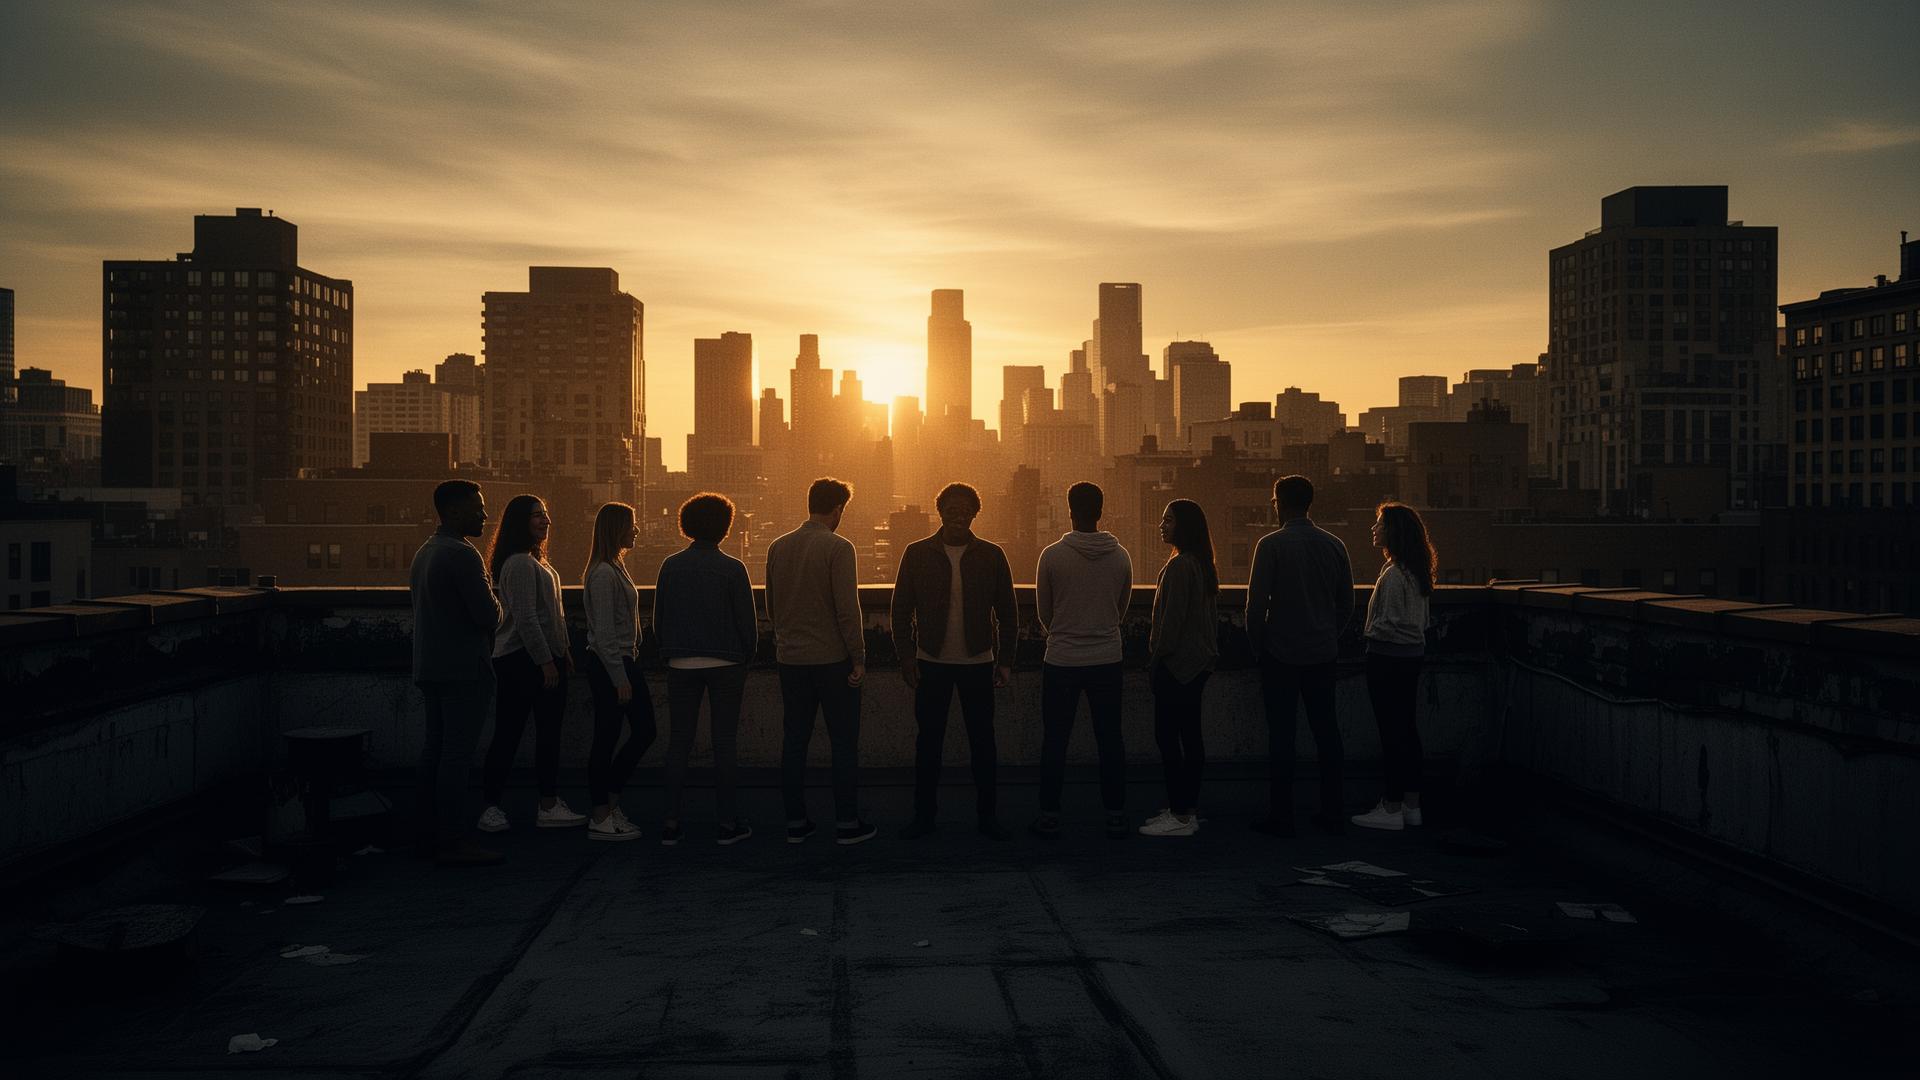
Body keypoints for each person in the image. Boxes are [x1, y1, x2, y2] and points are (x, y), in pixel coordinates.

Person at [890, 482, 1019, 841]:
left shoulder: (992, 556)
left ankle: (987, 817)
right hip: (930, 661)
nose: (959, 516)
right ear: (940, 512)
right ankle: (924, 817)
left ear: (975, 514)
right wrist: (906, 657)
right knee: (928, 744)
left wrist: (1005, 661)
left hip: (979, 662)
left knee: (983, 743)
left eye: (966, 511)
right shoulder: (916, 554)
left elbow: (1008, 614)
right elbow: (900, 610)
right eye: (952, 509)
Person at [765, 478, 877, 845]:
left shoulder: (778, 546)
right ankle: (846, 822)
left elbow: (771, 607)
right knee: (843, 742)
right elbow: (847, 610)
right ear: (838, 509)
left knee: (794, 741)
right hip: (831, 661)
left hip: (790, 660)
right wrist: (858, 657)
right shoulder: (839, 547)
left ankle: (795, 822)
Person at [1245, 474, 1355, 837]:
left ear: (1279, 503)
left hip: (1280, 655)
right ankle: (1333, 810)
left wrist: (1258, 646)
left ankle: (1282, 815)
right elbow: (1347, 603)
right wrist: (1328, 635)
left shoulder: (1270, 545)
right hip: (1322, 654)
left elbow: (1255, 607)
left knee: (1282, 736)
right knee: (1327, 733)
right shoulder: (1335, 545)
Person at [410, 480, 505, 866]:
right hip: (464, 669)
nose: (484, 515)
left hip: (431, 665)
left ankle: (427, 835)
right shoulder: (463, 555)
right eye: (477, 508)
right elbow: (489, 615)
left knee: (434, 751)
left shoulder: (426, 551)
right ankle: (452, 839)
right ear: (452, 511)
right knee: (456, 756)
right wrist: (497, 601)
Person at [655, 492, 758, 846]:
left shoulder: (670, 566)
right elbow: (747, 624)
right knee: (724, 742)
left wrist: (670, 653)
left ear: (686, 525)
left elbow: (659, 619)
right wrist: (745, 657)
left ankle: (670, 822)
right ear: (725, 527)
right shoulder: (733, 568)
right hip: (726, 663)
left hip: (680, 662)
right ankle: (727, 824)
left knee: (679, 741)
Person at [478, 495, 586, 832]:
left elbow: (551, 615)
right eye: (537, 515)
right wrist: (546, 662)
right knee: (512, 734)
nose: (545, 520)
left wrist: (563, 651)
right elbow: (526, 618)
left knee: (543, 734)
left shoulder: (536, 562)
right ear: (519, 522)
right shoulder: (521, 564)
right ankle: (494, 807)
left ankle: (545, 804)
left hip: (541, 658)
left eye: (546, 514)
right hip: (523, 660)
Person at [1033, 482, 1134, 839]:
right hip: (1107, 657)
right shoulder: (1121, 556)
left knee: (1055, 740)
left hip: (1062, 659)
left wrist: (1066, 632)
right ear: (1100, 512)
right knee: (1110, 739)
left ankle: (1049, 814)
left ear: (1070, 511)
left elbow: (1044, 612)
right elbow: (1121, 609)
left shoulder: (1052, 556)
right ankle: (1116, 814)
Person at [1351, 502, 1436, 832]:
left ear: (1394, 532)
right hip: (1412, 656)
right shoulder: (1415, 572)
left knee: (1391, 734)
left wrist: (1368, 634)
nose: (1374, 529)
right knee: (1407, 731)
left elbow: (1387, 623)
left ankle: (1391, 807)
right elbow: (1420, 622)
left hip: (1387, 658)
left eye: (1379, 524)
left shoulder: (1393, 575)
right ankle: (1412, 806)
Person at [1139, 499, 1219, 838]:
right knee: (1190, 738)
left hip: (1178, 665)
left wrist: (1156, 661)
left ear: (1184, 526)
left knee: (1169, 738)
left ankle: (1180, 814)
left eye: (1169, 520)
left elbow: (1169, 625)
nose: (1162, 526)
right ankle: (1186, 808)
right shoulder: (1200, 563)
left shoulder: (1180, 567)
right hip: (1197, 663)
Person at [581, 501, 654, 842]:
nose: (636, 530)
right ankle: (601, 814)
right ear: (616, 529)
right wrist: (619, 676)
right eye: (631, 524)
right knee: (610, 737)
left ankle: (608, 806)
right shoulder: (603, 574)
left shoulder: (614, 567)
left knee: (636, 732)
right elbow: (604, 632)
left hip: (621, 661)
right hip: (612, 664)